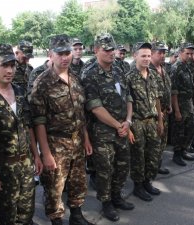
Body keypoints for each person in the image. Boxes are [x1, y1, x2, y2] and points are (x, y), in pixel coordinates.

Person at [30, 34, 93, 225]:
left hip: (77, 140)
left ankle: (76, 215)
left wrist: (86, 139)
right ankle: (56, 220)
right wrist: (45, 154)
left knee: (78, 181)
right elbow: (38, 121)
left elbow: (80, 113)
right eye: (61, 53)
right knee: (54, 187)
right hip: (55, 143)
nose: (65, 57)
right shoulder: (42, 83)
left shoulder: (75, 78)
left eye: (68, 53)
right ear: (51, 55)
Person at [0, 43, 42, 225]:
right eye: (4, 65)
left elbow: (28, 125)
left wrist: (36, 155)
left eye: (12, 65)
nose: (10, 70)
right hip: (1, 169)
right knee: (6, 218)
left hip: (26, 165)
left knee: (26, 214)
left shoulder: (20, 93)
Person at [81, 33, 134, 222]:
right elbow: (96, 108)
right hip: (102, 133)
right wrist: (119, 125)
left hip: (122, 129)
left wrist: (128, 121)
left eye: (113, 49)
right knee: (105, 170)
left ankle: (117, 196)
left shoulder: (119, 70)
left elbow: (128, 97)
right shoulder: (89, 75)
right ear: (96, 51)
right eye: (107, 49)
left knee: (122, 165)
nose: (111, 53)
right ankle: (106, 203)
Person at [127, 42, 163, 201]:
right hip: (137, 122)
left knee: (152, 154)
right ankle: (138, 186)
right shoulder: (128, 77)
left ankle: (147, 181)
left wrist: (160, 120)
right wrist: (128, 127)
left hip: (152, 121)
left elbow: (157, 99)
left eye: (149, 56)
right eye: (143, 56)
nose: (147, 59)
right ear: (135, 56)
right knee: (138, 156)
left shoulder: (154, 75)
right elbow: (124, 104)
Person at [170, 43, 194, 166]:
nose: (190, 56)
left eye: (191, 53)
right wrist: (177, 111)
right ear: (181, 53)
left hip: (188, 103)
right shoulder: (176, 68)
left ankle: (184, 150)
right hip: (180, 105)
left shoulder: (187, 66)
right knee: (179, 131)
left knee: (190, 128)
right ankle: (177, 154)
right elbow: (174, 92)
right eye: (187, 53)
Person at [149, 41, 171, 175]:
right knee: (154, 143)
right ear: (152, 53)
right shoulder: (148, 69)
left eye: (164, 53)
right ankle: (151, 168)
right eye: (160, 52)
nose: (163, 55)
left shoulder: (164, 68)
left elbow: (167, 89)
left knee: (162, 140)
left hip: (164, 111)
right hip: (154, 114)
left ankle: (158, 164)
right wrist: (157, 112)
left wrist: (169, 106)